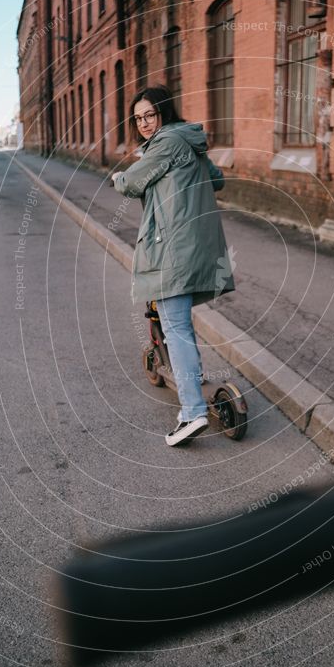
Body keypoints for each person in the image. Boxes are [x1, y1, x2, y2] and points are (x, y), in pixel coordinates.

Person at [112, 85, 235, 446]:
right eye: (138, 119)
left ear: (164, 112)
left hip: (173, 248)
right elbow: (217, 179)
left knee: (175, 327)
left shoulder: (167, 142)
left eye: (150, 114)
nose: (145, 124)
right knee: (179, 325)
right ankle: (192, 388)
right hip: (197, 246)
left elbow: (132, 182)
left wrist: (118, 178)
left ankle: (193, 412)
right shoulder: (190, 142)